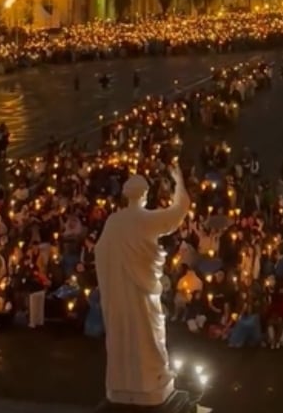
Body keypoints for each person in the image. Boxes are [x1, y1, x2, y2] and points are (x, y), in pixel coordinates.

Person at [93, 166, 191, 406]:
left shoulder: (114, 221)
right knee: (148, 333)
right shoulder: (147, 219)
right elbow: (178, 212)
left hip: (118, 291)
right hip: (142, 291)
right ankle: (150, 379)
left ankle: (122, 383)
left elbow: (99, 251)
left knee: (124, 334)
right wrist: (180, 184)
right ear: (145, 195)